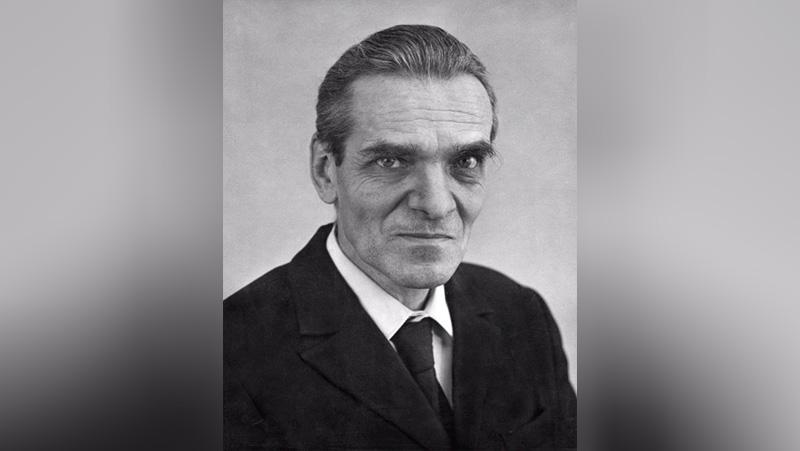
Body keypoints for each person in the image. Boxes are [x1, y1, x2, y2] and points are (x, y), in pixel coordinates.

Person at [224, 24, 576, 450]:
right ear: (325, 170)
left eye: (466, 160)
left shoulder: (522, 315)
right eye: (391, 161)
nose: (436, 205)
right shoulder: (228, 353)